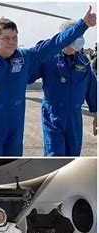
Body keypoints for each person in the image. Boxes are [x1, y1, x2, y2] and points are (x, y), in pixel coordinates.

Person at [0, 7, 96, 156]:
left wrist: (83, 25)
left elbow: (56, 43)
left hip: (15, 128)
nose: (11, 42)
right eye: (6, 38)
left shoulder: (25, 58)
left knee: (14, 165)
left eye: (15, 37)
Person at [28, 20, 97, 156]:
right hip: (53, 116)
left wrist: (96, 115)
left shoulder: (84, 63)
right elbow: (28, 76)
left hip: (74, 118)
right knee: (54, 154)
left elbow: (92, 90)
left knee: (73, 154)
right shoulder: (48, 59)